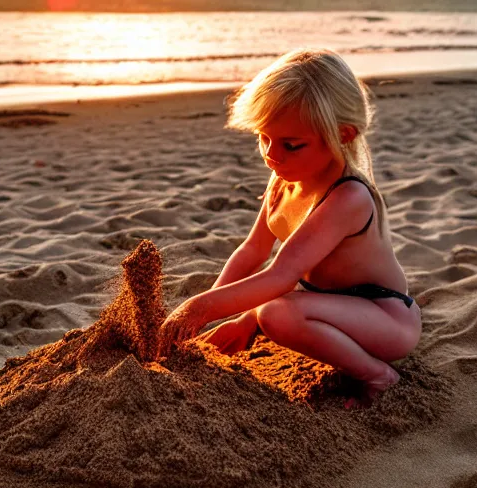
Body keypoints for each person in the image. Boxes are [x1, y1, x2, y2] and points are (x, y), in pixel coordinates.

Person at [159, 48, 422, 407]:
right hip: (327, 307)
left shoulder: (348, 197)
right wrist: (220, 319)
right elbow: (253, 250)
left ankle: (378, 374)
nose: (272, 155)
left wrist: (198, 307)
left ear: (343, 135)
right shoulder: (283, 178)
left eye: (291, 145)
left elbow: (283, 275)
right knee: (267, 313)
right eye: (264, 138)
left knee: (277, 313)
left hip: (384, 319)